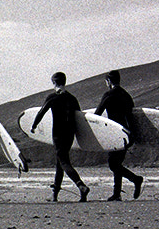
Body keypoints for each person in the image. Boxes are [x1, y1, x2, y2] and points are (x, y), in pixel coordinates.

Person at [30, 72, 89, 202]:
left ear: (54, 83)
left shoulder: (52, 97)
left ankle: (81, 186)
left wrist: (33, 126)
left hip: (58, 134)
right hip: (70, 134)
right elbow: (79, 118)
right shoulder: (72, 98)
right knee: (59, 162)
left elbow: (41, 112)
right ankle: (55, 195)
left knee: (63, 161)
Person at [95, 69, 144, 201]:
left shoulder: (108, 95)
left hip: (113, 132)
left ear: (108, 81)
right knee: (117, 162)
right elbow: (131, 116)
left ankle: (135, 179)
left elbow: (97, 114)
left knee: (113, 164)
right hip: (126, 132)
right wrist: (134, 135)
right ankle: (117, 194)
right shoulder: (126, 95)